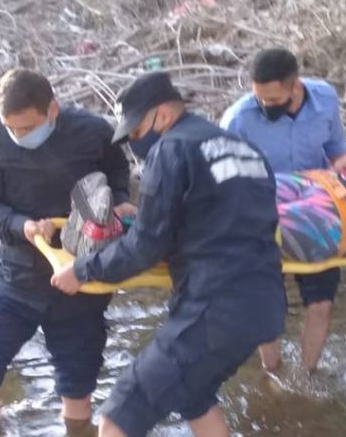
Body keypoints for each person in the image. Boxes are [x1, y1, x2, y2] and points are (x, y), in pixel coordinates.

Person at [50, 71, 287, 437]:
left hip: (213, 312)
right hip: (266, 305)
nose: (134, 143)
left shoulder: (171, 148)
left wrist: (84, 269)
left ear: (161, 116)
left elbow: (146, 246)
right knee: (195, 396)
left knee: (118, 415)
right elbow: (226, 219)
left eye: (136, 133)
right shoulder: (243, 148)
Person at [0, 68, 136, 434]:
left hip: (83, 274)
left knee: (77, 390)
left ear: (52, 109)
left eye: (26, 127)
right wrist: (20, 224)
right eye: (11, 127)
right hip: (17, 271)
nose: (18, 135)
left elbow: (118, 178)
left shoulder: (94, 131)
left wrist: (119, 204)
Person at [220, 47, 346, 372]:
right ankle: (273, 374)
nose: (263, 106)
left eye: (272, 100)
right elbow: (223, 183)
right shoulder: (237, 119)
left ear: (295, 86)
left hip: (319, 216)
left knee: (321, 304)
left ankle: (306, 375)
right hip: (264, 221)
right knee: (265, 305)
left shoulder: (325, 99)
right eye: (258, 98)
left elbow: (336, 153)